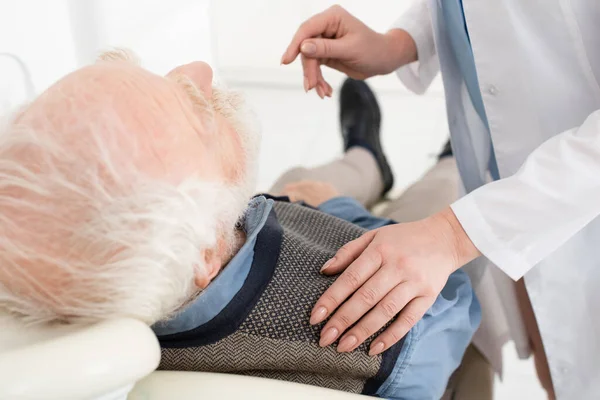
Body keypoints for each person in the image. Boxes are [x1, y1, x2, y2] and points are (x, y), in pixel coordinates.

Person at [0, 51, 478, 399]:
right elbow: (448, 311)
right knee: (438, 194)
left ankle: (366, 158)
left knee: (299, 182)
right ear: (206, 251)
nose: (198, 69)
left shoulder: (138, 274)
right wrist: (437, 237)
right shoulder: (358, 332)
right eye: (196, 109)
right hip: (400, 279)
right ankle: (447, 160)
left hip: (291, 221)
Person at [281, 3, 600, 399]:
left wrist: (451, 234)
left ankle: (373, 155)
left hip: (573, 187)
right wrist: (399, 44)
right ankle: (391, 157)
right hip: (514, 178)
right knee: (556, 366)